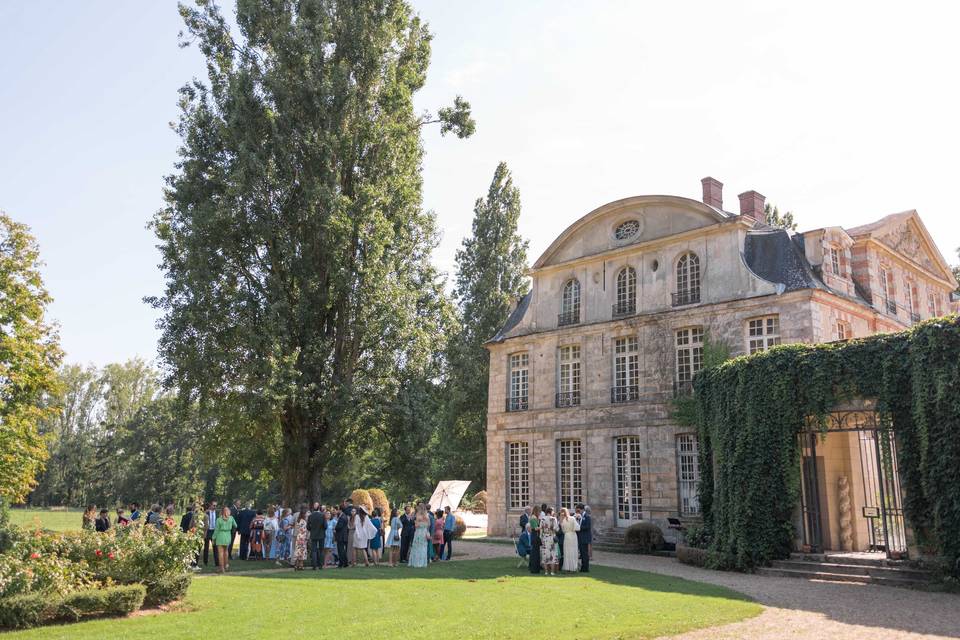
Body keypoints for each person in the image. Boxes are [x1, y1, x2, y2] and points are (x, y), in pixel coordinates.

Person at [214, 506, 236, 574]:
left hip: (220, 536)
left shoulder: (219, 519)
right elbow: (235, 525)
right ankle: (226, 565)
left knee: (220, 553)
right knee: (226, 552)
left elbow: (216, 530)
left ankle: (222, 568)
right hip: (228, 536)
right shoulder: (231, 518)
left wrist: (213, 538)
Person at [559, 508, 580, 572]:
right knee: (573, 551)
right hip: (573, 535)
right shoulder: (572, 518)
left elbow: (563, 530)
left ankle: (568, 567)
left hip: (567, 536)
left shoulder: (562, 521)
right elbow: (578, 528)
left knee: (567, 552)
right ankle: (573, 567)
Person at [540, 507, 559, 575]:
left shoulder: (542, 519)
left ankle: (546, 572)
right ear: (551, 512)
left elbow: (541, 530)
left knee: (545, 554)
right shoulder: (554, 519)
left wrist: (541, 538)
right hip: (552, 537)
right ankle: (552, 572)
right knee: (553, 554)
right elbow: (556, 529)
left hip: (545, 538)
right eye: (553, 511)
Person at [307, 503, 326, 570]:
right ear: (319, 508)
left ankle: (314, 565)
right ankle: (320, 565)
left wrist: (312, 529)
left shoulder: (310, 516)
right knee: (321, 550)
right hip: (321, 534)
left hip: (313, 534)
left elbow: (308, 527)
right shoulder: (322, 515)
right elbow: (325, 526)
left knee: (314, 550)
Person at [575, 504, 592, 573]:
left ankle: (585, 568)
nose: (577, 511)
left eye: (578, 510)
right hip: (580, 537)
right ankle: (583, 567)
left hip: (585, 537)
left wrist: (579, 527)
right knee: (582, 553)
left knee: (585, 553)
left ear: (581, 509)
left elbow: (587, 527)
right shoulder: (579, 516)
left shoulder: (587, 516)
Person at [204, 501, 219, 567]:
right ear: (210, 505)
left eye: (216, 505)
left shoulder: (217, 513)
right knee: (206, 547)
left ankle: (217, 562)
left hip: (214, 531)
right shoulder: (206, 513)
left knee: (215, 547)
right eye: (214, 505)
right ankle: (205, 562)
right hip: (208, 531)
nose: (215, 507)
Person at [528, 505, 542, 574]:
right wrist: (542, 526)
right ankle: (534, 568)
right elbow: (535, 528)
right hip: (534, 536)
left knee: (536, 553)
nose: (540, 513)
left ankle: (536, 568)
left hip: (535, 536)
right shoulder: (533, 518)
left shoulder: (535, 518)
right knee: (534, 553)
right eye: (539, 511)